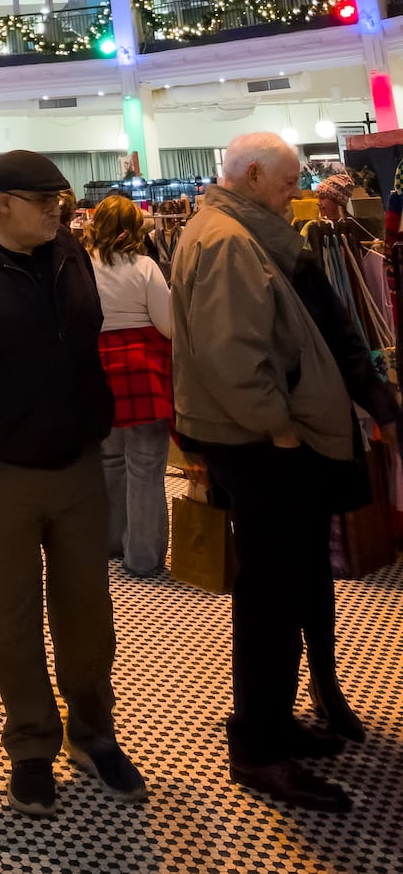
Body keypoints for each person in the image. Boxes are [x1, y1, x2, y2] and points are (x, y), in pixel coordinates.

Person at [170, 132, 385, 813]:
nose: (296, 191)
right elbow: (236, 359)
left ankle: (275, 723)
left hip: (256, 439)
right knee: (268, 597)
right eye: (289, 179)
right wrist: (282, 428)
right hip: (260, 443)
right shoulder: (230, 239)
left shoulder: (241, 230)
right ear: (254, 174)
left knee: (282, 586)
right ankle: (259, 747)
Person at [0, 151, 141, 817]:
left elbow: (83, 338)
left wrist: (94, 414)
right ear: (4, 203)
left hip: (74, 461)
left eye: (62, 201)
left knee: (88, 610)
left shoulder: (67, 251)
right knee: (13, 617)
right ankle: (32, 743)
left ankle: (92, 729)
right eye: (46, 201)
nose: (59, 211)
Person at [87, 194, 173, 578]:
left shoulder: (82, 266)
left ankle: (109, 542)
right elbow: (168, 325)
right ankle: (142, 558)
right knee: (147, 466)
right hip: (142, 371)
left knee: (109, 461)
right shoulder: (145, 267)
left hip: (97, 370)